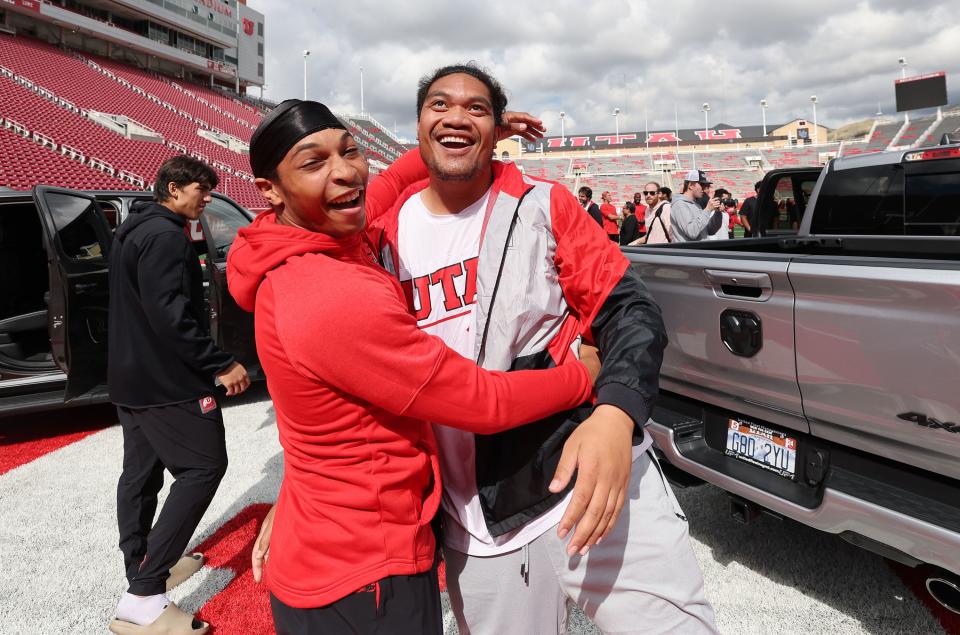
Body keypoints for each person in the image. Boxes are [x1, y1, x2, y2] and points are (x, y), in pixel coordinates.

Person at [254, 64, 716, 635]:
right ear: (417, 125)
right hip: (472, 523)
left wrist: (618, 413)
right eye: (439, 105)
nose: (456, 116)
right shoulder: (372, 235)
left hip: (585, 479)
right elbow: (344, 396)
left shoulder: (543, 205)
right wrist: (300, 490)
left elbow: (631, 311)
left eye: (476, 108)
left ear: (496, 128)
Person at [228, 99, 602, 634]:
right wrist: (583, 375)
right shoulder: (327, 292)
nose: (344, 172)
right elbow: (481, 401)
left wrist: (468, 137)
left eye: (350, 151)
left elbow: (386, 182)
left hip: (323, 543)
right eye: (313, 163)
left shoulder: (300, 237)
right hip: (364, 571)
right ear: (270, 190)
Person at [108, 156, 251, 634]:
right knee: (204, 466)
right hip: (166, 381)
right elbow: (171, 315)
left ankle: (143, 567)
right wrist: (220, 363)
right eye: (201, 190)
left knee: (142, 475)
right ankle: (145, 594)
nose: (207, 198)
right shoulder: (168, 236)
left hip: (130, 379)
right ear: (173, 188)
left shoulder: (134, 228)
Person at [670, 169, 724, 242]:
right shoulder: (679, 204)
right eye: (702, 185)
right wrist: (707, 209)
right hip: (690, 252)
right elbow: (692, 232)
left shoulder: (695, 204)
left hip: (699, 251)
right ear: (691, 185)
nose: (704, 189)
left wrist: (717, 213)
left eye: (706, 186)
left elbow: (710, 231)